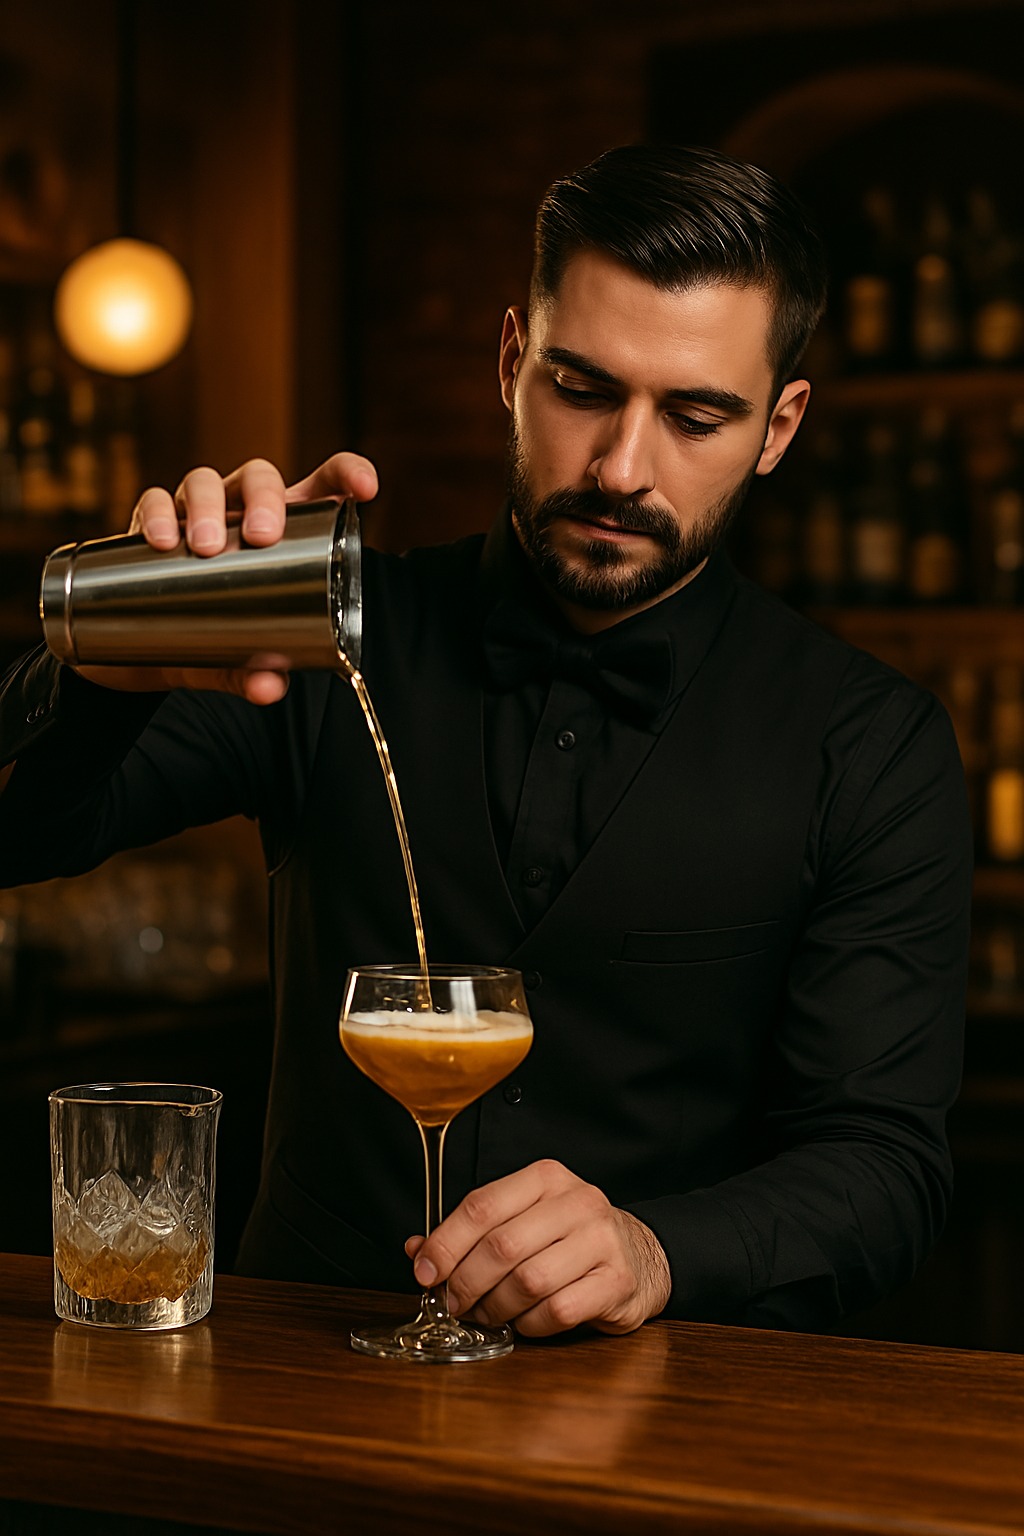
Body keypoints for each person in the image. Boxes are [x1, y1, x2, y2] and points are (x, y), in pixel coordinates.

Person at [0, 145, 971, 1337]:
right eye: (580, 389)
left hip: (658, 1427)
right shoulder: (317, 634)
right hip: (292, 1384)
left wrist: (656, 1250)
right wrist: (109, 648)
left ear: (778, 426)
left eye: (696, 416)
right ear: (511, 361)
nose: (622, 467)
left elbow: (883, 1169)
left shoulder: (868, 743)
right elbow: (20, 827)